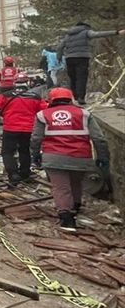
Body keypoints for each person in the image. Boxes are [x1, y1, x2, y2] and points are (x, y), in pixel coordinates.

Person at [31, 87, 110, 231]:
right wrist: (103, 156)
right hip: (80, 157)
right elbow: (99, 138)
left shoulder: (43, 115)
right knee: (76, 183)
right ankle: (75, 207)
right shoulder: (84, 114)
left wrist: (35, 155)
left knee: (61, 187)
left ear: (51, 100)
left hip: (53, 158)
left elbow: (36, 138)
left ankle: (66, 218)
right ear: (70, 99)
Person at [0, 73, 47, 186]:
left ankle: (13, 174)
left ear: (14, 83)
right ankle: (25, 173)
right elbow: (44, 112)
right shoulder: (35, 96)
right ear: (27, 82)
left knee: (7, 152)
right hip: (28, 129)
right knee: (24, 150)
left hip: (10, 128)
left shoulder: (5, 95)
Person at [56, 22, 125, 104]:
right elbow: (98, 34)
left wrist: (59, 57)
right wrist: (116, 32)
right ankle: (81, 97)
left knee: (73, 78)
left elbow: (60, 47)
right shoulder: (86, 31)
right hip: (82, 57)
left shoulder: (68, 35)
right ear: (86, 26)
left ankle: (75, 96)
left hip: (69, 58)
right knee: (81, 77)